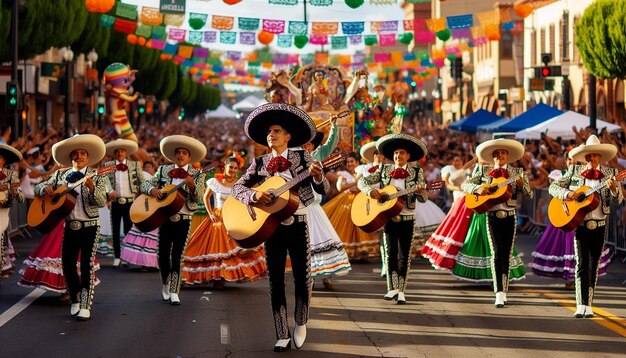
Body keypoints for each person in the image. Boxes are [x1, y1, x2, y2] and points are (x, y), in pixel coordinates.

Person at [231, 103, 329, 352]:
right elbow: (237, 188)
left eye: (276, 131)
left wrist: (318, 177)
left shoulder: (303, 158)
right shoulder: (259, 162)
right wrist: (255, 197)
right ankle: (281, 333)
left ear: (287, 136)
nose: (271, 135)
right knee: (275, 281)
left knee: (302, 277)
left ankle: (301, 321)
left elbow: (324, 189)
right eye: (268, 132)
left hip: (299, 222)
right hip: (270, 226)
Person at [35, 134, 109, 320]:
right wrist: (45, 189)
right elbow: (39, 187)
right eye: (75, 154)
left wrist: (92, 188)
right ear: (70, 157)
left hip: (90, 226)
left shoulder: (97, 176)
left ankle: (85, 305)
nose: (79, 156)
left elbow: (101, 202)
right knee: (67, 265)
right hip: (69, 225)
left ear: (88, 157)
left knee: (86, 266)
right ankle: (75, 298)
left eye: (83, 153)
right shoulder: (60, 174)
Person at [548, 135, 623, 318]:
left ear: (601, 156)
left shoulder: (611, 175)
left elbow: (618, 200)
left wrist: (613, 188)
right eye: (588, 156)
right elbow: (553, 188)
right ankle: (580, 304)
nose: (591, 159)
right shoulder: (574, 171)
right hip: (580, 223)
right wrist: (569, 194)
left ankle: (588, 304)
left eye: (595, 156)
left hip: (599, 224)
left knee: (593, 265)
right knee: (581, 264)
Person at [357, 133, 428, 304]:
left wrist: (420, 192)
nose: (398, 156)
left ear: (408, 156)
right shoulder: (383, 170)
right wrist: (369, 191)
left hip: (408, 218)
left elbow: (424, 197)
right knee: (390, 254)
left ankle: (402, 291)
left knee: (404, 256)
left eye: (402, 153)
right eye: (396, 153)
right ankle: (391, 288)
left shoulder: (417, 173)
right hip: (389, 217)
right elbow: (362, 182)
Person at [461, 138, 532, 308]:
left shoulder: (517, 173)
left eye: (503, 153)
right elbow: (465, 184)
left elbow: (530, 195)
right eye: (497, 154)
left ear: (508, 156)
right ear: (492, 157)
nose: (500, 156)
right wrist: (478, 189)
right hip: (491, 216)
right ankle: (498, 292)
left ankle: (504, 290)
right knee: (496, 253)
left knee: (506, 254)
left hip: (509, 216)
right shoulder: (484, 172)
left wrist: (522, 186)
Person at [140, 135, 207, 305]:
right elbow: (144, 185)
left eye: (184, 153)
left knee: (178, 256)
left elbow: (198, 197)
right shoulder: (163, 170)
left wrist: (192, 186)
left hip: (184, 218)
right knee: (162, 255)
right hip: (164, 218)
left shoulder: (197, 174)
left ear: (189, 157)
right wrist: (153, 189)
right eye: (178, 152)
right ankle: (165, 282)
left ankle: (175, 291)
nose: (181, 155)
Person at [182, 156, 267, 287]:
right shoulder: (215, 182)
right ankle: (214, 276)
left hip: (233, 218)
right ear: (225, 167)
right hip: (218, 217)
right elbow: (206, 197)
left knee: (237, 249)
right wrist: (210, 213)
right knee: (214, 248)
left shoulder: (240, 184)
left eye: (235, 168)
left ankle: (221, 277)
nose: (233, 170)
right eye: (230, 167)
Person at [301, 120, 351, 290]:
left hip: (315, 206)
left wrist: (334, 126)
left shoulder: (318, 155)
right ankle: (309, 278)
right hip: (300, 206)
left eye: (309, 143)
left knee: (324, 239)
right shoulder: (294, 158)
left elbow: (330, 144)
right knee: (305, 244)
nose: (306, 146)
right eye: (304, 143)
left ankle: (327, 277)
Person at [104, 139, 143, 267]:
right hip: (115, 202)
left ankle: (126, 256)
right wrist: (109, 192)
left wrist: (141, 196)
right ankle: (117, 256)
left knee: (128, 230)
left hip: (130, 202)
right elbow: (105, 182)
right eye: (117, 152)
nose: (120, 154)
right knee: (115, 230)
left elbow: (141, 181)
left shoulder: (134, 165)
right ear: (114, 154)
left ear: (126, 153)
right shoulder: (108, 165)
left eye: (122, 151)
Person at [0, 144, 24, 281]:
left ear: (3, 160)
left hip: (2, 212)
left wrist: (15, 192)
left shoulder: (11, 175)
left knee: (1, 236)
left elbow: (21, 198)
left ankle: (3, 266)